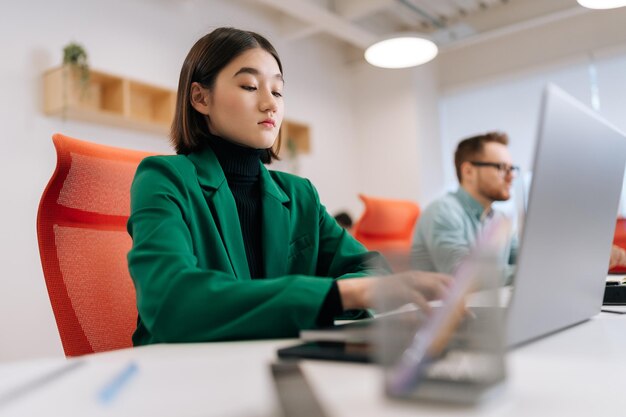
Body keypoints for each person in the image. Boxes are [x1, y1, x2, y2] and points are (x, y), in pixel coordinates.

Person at [127, 27, 451, 346]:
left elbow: (372, 270)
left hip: (275, 364)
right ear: (200, 98)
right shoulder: (164, 178)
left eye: (278, 91)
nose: (270, 104)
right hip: (183, 379)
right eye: (250, 86)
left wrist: (347, 294)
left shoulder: (299, 195)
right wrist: (340, 294)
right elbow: (171, 301)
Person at [412, 132, 519, 284]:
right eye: (501, 167)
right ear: (468, 171)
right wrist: (532, 274)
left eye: (512, 168)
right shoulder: (442, 211)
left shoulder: (501, 218)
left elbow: (523, 262)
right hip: (441, 306)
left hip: (485, 304)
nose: (512, 176)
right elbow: (465, 278)